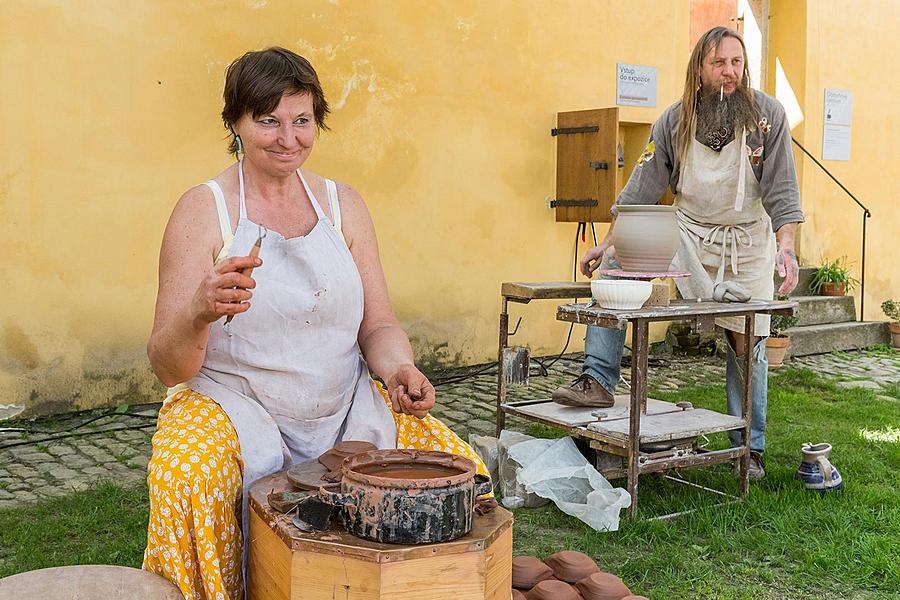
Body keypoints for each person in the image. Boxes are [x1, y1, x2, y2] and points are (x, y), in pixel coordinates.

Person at [142, 47, 489, 600]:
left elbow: (377, 325)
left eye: (302, 121)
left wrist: (399, 367)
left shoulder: (342, 205)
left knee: (461, 477)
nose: (288, 139)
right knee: (191, 480)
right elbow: (168, 365)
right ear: (235, 123)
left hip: (343, 404)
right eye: (269, 121)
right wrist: (199, 310)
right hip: (235, 404)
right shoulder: (203, 210)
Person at [551, 27, 804, 480]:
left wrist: (786, 248)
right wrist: (610, 241)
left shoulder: (768, 116)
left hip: (746, 241)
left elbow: (782, 189)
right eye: (719, 63)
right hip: (687, 234)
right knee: (616, 265)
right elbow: (641, 188)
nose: (730, 73)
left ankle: (750, 448)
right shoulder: (674, 121)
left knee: (748, 342)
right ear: (699, 69)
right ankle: (598, 380)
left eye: (737, 63)